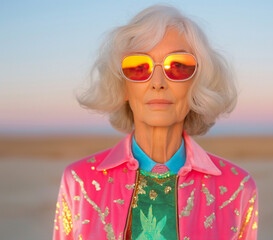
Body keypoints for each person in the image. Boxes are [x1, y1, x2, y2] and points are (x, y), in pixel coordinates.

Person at [53, 5, 258, 240]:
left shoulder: (238, 188)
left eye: (179, 66)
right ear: (123, 86)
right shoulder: (79, 181)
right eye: (138, 67)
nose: (158, 82)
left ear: (197, 85)